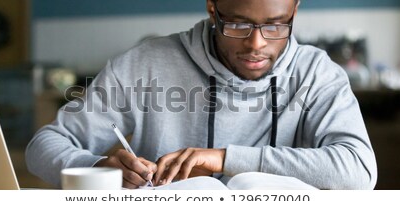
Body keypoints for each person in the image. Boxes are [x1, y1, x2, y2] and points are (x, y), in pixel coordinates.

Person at [26, 0, 377, 190]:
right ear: (212, 8)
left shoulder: (316, 73)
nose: (256, 44)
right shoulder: (144, 63)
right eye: (238, 24)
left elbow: (359, 170)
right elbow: (46, 145)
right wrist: (98, 168)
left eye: (275, 25)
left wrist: (224, 158)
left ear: (295, 10)